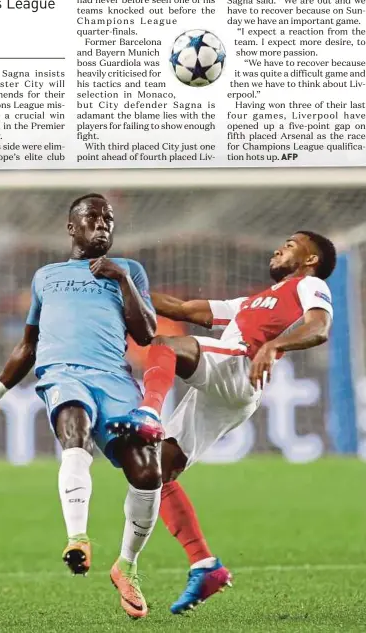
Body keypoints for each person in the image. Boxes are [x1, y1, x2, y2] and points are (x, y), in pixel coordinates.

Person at [107, 231, 336, 613]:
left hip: (239, 365)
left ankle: (149, 411)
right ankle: (205, 565)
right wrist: (123, 287)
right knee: (155, 471)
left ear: (312, 259)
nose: (280, 246)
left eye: (293, 243)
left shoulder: (309, 285)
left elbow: (320, 326)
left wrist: (273, 346)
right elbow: (182, 309)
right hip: (230, 392)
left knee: (164, 346)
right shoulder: (252, 302)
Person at [0, 193, 165, 619]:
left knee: (149, 473)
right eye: (92, 218)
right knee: (74, 431)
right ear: (71, 227)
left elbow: (147, 333)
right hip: (64, 374)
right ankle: (77, 538)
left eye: (108, 219)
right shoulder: (46, 276)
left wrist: (122, 280)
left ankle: (127, 566)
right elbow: (28, 345)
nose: (102, 225)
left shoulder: (130, 270)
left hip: (115, 379)